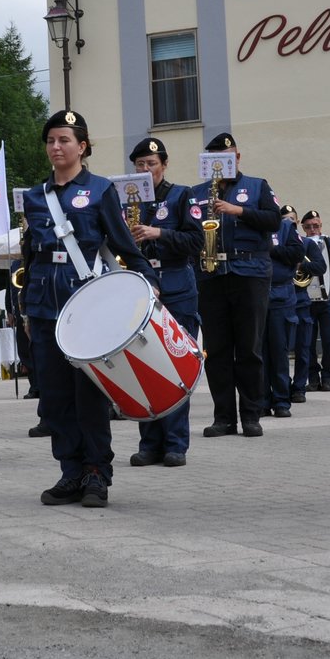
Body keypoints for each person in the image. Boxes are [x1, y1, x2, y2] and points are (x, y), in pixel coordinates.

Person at [20, 109, 153, 508]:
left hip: (88, 304)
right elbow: (30, 255)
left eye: (64, 140)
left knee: (90, 394)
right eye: (51, 140)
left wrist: (149, 286)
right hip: (45, 305)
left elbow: (125, 247)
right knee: (56, 397)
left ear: (82, 146)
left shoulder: (99, 190)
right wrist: (26, 307)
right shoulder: (34, 196)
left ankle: (97, 472)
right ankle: (70, 471)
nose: (56, 147)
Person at [193, 132, 281, 438]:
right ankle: (223, 417)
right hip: (212, 274)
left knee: (249, 348)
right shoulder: (198, 192)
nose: (221, 162)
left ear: (236, 158)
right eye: (214, 158)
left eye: (226, 156)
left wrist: (237, 210)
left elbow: (274, 220)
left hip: (251, 272)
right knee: (216, 349)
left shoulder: (258, 186)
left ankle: (251, 415)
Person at [124, 136, 202, 468]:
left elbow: (196, 240)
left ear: (163, 165)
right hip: (142, 285)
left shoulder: (182, 195)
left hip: (176, 283)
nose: (145, 170)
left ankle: (176, 443)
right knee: (143, 363)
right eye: (140, 165)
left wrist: (159, 234)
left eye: (151, 164)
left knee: (176, 361)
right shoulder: (127, 200)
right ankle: (149, 442)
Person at [264, 205, 306, 418]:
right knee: (258, 352)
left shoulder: (286, 227)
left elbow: (297, 253)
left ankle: (281, 400)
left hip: (281, 295)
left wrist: (271, 249)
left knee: (279, 351)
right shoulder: (251, 226)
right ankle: (261, 400)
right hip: (256, 294)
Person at [299, 210, 330, 393]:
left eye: (315, 226)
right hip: (307, 300)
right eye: (308, 227)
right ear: (303, 228)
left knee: (329, 340)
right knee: (307, 342)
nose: (313, 229)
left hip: (327, 299)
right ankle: (312, 377)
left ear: (321, 225)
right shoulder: (300, 244)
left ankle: (328, 377)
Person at [288, 208, 322, 404]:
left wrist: (300, 265)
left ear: (297, 222)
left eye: (292, 221)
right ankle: (283, 386)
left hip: (301, 300)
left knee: (303, 347)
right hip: (282, 300)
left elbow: (320, 267)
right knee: (280, 349)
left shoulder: (307, 244)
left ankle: (299, 387)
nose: (289, 224)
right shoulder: (278, 242)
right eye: (285, 221)